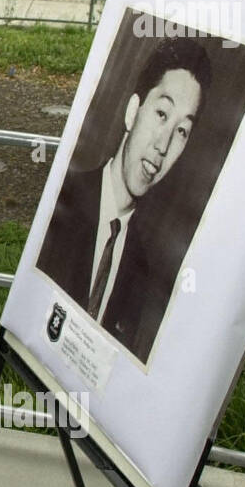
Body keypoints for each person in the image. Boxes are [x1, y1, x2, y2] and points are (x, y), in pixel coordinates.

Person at [36, 37, 211, 360]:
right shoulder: (60, 204)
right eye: (161, 114)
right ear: (133, 112)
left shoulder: (143, 267)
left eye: (182, 131)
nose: (164, 145)